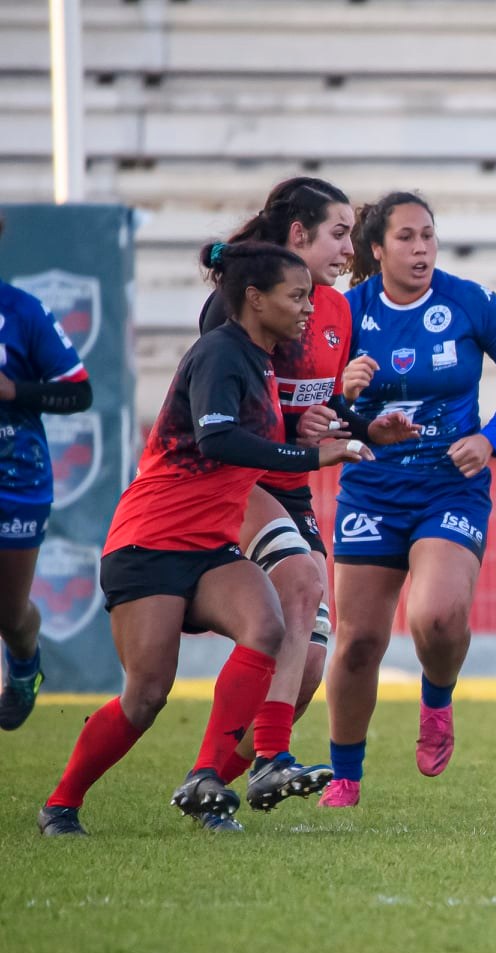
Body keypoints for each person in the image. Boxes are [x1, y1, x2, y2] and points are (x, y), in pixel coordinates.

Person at [35, 242, 374, 836]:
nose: (308, 308)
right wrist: (314, 455)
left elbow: (254, 438)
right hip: (151, 541)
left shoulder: (261, 361)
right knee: (146, 695)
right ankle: (61, 803)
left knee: (268, 627)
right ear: (255, 299)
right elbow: (217, 439)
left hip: (211, 547)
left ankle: (211, 775)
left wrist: (352, 428)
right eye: (297, 297)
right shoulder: (220, 353)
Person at [320, 191, 496, 807]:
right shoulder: (345, 314)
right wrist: (343, 390)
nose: (421, 249)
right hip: (372, 489)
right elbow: (315, 405)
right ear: (376, 249)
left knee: (438, 617)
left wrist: (490, 439)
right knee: (358, 641)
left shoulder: (469, 302)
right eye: (406, 238)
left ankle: (437, 698)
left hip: (450, 486)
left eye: (428, 235)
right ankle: (345, 775)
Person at [197, 177, 409, 806]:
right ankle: (271, 757)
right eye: (339, 234)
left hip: (291, 486)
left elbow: (323, 407)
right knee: (301, 585)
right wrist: (302, 431)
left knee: (311, 662)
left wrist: (365, 426)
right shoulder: (240, 310)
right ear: (298, 234)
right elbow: (224, 422)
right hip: (234, 481)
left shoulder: (336, 311)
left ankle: (210, 780)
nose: (351, 250)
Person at [0, 212, 93, 730]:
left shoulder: (22, 311)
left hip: (16, 476)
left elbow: (79, 392)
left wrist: (15, 391)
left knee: (9, 614)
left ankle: (24, 662)